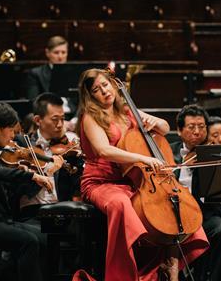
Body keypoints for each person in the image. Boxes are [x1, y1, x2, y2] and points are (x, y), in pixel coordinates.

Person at [77, 69, 208, 281]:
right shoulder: (90, 118)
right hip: (101, 182)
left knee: (170, 204)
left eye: (106, 85)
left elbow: (165, 128)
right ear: (90, 96)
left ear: (113, 84)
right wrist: (143, 158)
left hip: (131, 180)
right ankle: (124, 273)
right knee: (121, 204)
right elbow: (104, 150)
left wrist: (154, 123)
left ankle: (168, 264)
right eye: (96, 90)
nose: (104, 91)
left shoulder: (127, 112)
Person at [0, 102, 53, 281]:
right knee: (28, 241)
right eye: (11, 130)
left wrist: (35, 171)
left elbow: (6, 177)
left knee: (45, 238)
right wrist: (32, 176)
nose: (13, 136)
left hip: (1, 220)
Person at [170, 106, 221, 281]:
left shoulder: (213, 154)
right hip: (172, 215)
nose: (197, 132)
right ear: (179, 130)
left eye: (202, 127)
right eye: (191, 127)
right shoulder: (168, 151)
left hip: (204, 213)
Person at [14, 92, 83, 222]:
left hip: (63, 210)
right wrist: (48, 171)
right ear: (38, 120)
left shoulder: (68, 144)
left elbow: (77, 185)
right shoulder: (23, 144)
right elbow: (21, 189)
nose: (60, 124)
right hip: (33, 214)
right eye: (55, 119)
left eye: (62, 119)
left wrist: (78, 163)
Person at [26, 36, 77, 131]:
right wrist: (59, 121)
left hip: (72, 118)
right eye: (56, 52)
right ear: (47, 53)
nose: (60, 56)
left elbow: (82, 101)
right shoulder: (36, 74)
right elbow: (34, 102)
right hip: (50, 117)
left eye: (63, 52)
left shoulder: (73, 73)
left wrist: (75, 121)